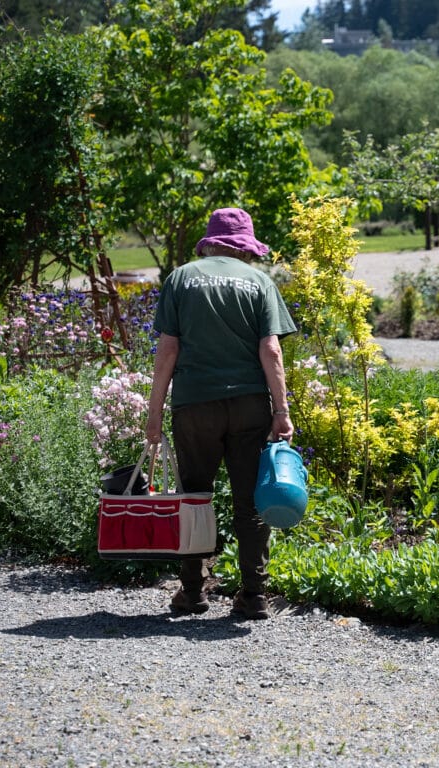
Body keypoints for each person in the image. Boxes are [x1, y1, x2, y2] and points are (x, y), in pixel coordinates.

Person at [145, 207, 296, 620]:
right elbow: (271, 350)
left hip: (195, 404)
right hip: (249, 404)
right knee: (250, 500)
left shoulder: (181, 278)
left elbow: (168, 351)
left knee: (194, 496)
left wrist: (154, 412)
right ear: (245, 247)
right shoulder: (260, 282)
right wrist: (281, 410)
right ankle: (254, 595)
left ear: (210, 241)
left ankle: (192, 592)